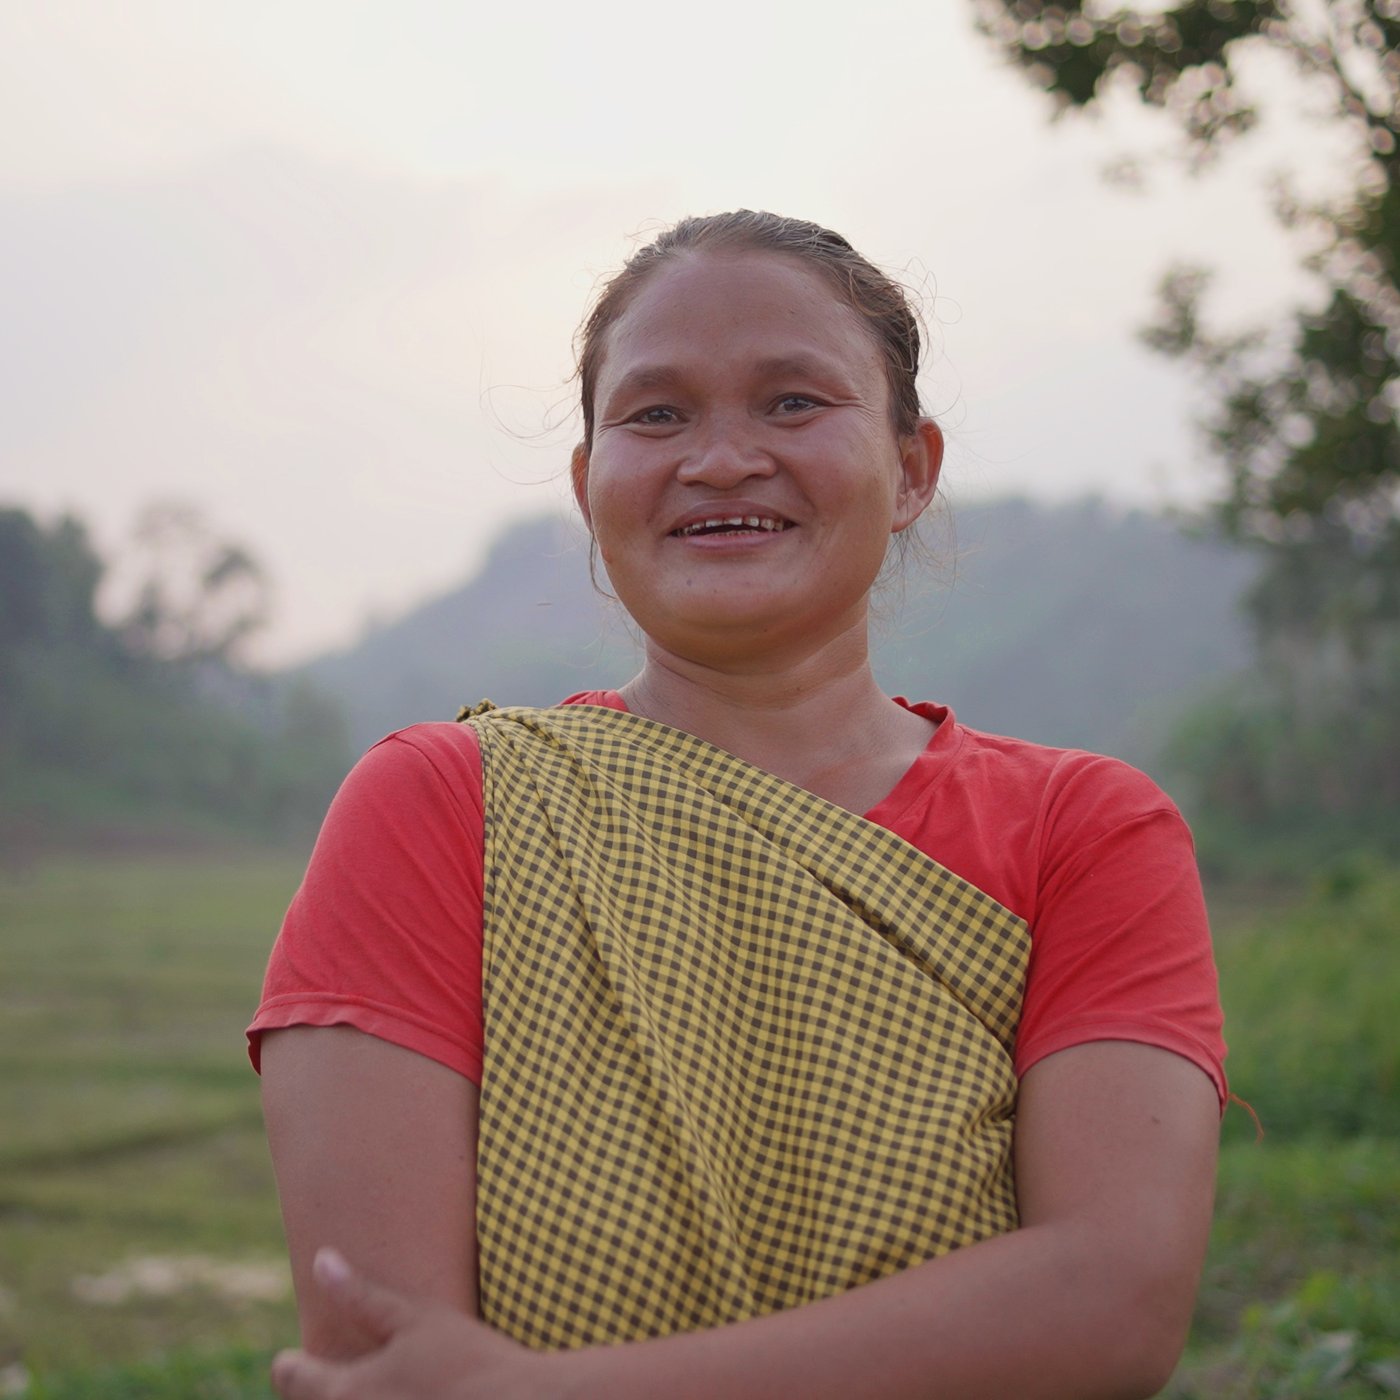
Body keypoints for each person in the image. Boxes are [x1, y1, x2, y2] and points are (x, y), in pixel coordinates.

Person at [249, 211, 1226, 1400]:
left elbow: (1109, 1306)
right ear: (587, 481)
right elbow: (380, 1355)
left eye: (791, 402)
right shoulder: (442, 804)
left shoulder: (1083, 830)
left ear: (911, 466)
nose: (718, 459)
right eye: (656, 413)